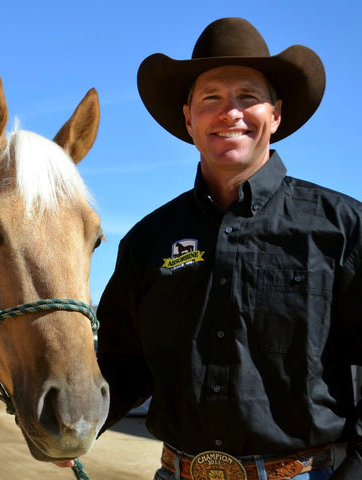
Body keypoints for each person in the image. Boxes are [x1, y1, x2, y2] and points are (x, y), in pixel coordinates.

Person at [94, 17, 362, 480]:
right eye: (211, 99)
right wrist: (69, 424)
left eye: (247, 97)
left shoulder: (343, 228)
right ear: (188, 117)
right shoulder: (147, 241)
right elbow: (122, 366)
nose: (230, 112)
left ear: (275, 115)